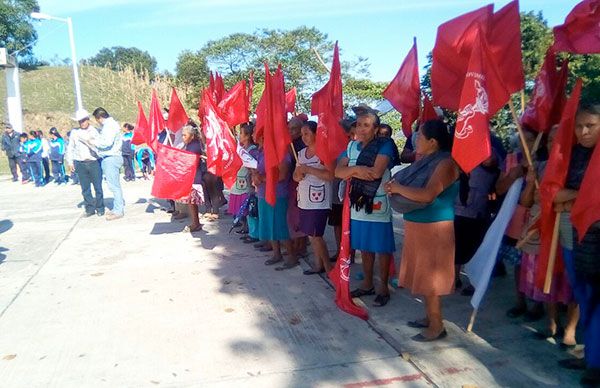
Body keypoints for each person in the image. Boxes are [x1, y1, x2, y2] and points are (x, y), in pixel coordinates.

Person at [385, 119, 459, 341]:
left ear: (433, 142)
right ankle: (429, 317)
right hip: (420, 224)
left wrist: (397, 188)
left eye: (420, 136)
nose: (415, 140)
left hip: (434, 226)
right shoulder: (428, 160)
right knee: (424, 277)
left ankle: (437, 326)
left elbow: (428, 195)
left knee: (431, 280)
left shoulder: (445, 164)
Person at [555, 103, 600, 387]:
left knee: (597, 305)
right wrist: (584, 198)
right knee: (585, 301)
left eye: (591, 126)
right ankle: (591, 356)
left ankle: (595, 364)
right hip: (575, 239)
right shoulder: (572, 155)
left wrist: (575, 199)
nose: (583, 132)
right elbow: (554, 194)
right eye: (579, 125)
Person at [335, 111, 396, 307]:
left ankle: (383, 288)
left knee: (382, 247)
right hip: (358, 204)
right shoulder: (351, 146)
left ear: (376, 129)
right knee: (364, 246)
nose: (361, 129)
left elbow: (376, 172)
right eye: (359, 124)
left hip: (377, 204)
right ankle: (368, 283)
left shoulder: (385, 145)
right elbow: (338, 171)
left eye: (366, 125)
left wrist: (351, 171)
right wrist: (357, 170)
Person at [294, 121, 334, 274]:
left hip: (319, 200)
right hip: (304, 199)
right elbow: (295, 175)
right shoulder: (301, 154)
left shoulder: (324, 152)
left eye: (307, 134)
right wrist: (299, 174)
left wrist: (309, 169)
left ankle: (329, 268)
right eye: (302, 134)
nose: (304, 137)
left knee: (317, 235)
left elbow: (330, 175)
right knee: (311, 235)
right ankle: (319, 265)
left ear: (316, 134)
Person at [252, 138, 297, 270]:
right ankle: (276, 253)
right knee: (268, 224)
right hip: (262, 193)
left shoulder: (281, 152)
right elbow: (258, 169)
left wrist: (263, 178)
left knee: (280, 225)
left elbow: (282, 175)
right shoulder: (261, 152)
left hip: (278, 193)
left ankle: (292, 256)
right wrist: (255, 175)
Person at [65, 109, 104, 217]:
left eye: (83, 120)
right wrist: (70, 162)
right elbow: (70, 148)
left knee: (98, 187)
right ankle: (90, 208)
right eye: (80, 121)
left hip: (93, 161)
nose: (82, 123)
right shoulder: (74, 132)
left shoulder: (94, 131)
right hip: (80, 163)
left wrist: (90, 142)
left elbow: (99, 146)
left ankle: (100, 207)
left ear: (88, 120)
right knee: (85, 188)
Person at [91, 107, 125, 220]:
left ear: (99, 118)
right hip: (111, 157)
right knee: (113, 185)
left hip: (111, 157)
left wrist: (94, 142)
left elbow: (107, 142)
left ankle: (119, 210)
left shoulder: (109, 126)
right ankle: (116, 208)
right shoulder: (111, 125)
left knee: (114, 186)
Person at [230, 123, 258, 235]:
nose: (239, 135)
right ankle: (244, 226)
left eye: (241, 133)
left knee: (248, 207)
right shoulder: (241, 148)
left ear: (248, 136)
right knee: (240, 207)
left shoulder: (252, 150)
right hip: (238, 182)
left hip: (247, 182)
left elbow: (253, 165)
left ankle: (251, 230)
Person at [178, 125, 205, 233]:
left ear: (192, 136)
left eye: (185, 135)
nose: (183, 137)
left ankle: (196, 223)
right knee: (191, 202)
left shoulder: (194, 146)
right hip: (192, 176)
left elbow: (190, 161)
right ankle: (195, 222)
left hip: (194, 177)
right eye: (182, 135)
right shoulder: (190, 145)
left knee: (192, 202)